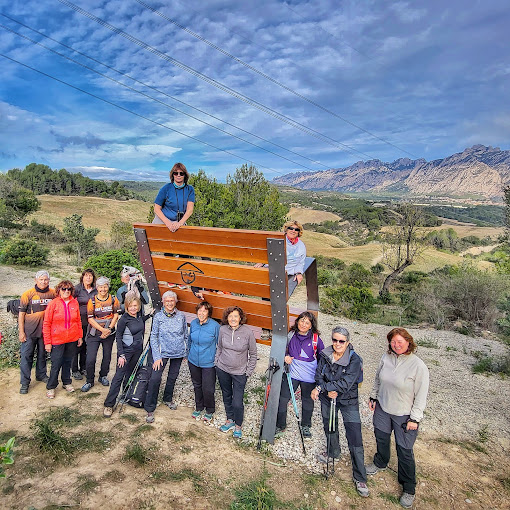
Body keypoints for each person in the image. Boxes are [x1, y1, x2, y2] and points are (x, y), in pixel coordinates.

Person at [366, 328, 430, 509]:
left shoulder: (418, 366)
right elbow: (378, 379)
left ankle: (408, 487)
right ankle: (380, 462)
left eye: (400, 342)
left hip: (404, 414)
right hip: (383, 407)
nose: (396, 345)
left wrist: (415, 418)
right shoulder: (386, 357)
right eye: (393, 342)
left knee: (404, 450)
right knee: (381, 438)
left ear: (409, 342)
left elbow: (421, 395)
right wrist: (373, 396)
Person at [312, 326, 369, 498]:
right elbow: (318, 375)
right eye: (334, 340)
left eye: (341, 341)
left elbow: (346, 383)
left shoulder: (354, 360)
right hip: (327, 398)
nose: (337, 343)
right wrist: (325, 389)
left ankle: (360, 477)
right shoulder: (325, 355)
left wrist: (323, 388)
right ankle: (333, 452)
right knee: (329, 427)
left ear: (348, 342)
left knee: (354, 436)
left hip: (348, 401)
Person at [276, 311, 324, 438]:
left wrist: (320, 378)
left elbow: (322, 358)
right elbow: (282, 349)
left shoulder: (316, 340)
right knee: (283, 399)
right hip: (292, 373)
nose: (303, 324)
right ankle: (280, 424)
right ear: (297, 321)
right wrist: (285, 356)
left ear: (311, 325)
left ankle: (306, 426)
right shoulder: (291, 335)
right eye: (302, 320)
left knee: (307, 401)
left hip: (309, 376)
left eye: (307, 322)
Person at [256, 220, 306, 340]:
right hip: (273, 271)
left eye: (296, 229)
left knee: (279, 301)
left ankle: (275, 328)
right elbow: (267, 253)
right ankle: (266, 328)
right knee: (267, 300)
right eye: (290, 228)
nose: (293, 231)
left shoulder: (301, 246)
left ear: (299, 232)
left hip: (288, 274)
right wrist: (261, 263)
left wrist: (299, 272)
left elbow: (301, 262)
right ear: (286, 229)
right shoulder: (279, 241)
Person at [144, 291, 188, 423]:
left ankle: (167, 398)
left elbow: (185, 335)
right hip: (162, 353)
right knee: (155, 378)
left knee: (172, 377)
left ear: (175, 302)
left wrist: (185, 351)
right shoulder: (158, 317)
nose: (169, 303)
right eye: (167, 301)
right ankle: (150, 407)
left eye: (172, 300)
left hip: (178, 352)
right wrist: (157, 356)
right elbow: (153, 336)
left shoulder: (181, 316)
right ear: (163, 302)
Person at [103, 294, 149, 418]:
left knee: (130, 374)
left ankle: (126, 395)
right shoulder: (124, 319)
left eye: (135, 306)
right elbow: (118, 337)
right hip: (126, 352)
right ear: (127, 307)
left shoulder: (138, 317)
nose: (133, 308)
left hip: (137, 351)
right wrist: (121, 355)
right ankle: (109, 404)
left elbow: (140, 321)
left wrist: (150, 315)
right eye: (130, 306)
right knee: (119, 377)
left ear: (139, 306)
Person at [215, 306, 257, 439]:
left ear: (240, 318)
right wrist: (217, 362)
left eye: (235, 316)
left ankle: (238, 425)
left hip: (240, 373)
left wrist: (248, 372)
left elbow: (253, 354)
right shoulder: (222, 329)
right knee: (226, 395)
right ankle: (230, 419)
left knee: (237, 401)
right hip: (223, 369)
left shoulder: (247, 332)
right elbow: (219, 347)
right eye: (230, 316)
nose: (233, 319)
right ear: (227, 318)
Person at [43, 280, 83, 398]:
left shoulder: (74, 303)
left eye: (69, 289)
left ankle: (66, 382)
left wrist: (79, 336)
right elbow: (46, 323)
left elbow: (78, 321)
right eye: (64, 289)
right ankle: (51, 386)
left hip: (71, 338)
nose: (66, 291)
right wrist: (47, 342)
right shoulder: (53, 304)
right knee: (56, 363)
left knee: (67, 362)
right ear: (59, 290)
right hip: (57, 339)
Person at [18, 270, 56, 394]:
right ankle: (25, 382)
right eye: (41, 279)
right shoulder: (27, 294)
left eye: (46, 279)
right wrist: (21, 332)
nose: (43, 282)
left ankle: (41, 375)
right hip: (29, 330)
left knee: (42, 354)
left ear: (49, 280)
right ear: (36, 280)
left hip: (45, 331)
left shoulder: (53, 294)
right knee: (26, 356)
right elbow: (21, 314)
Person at [81, 276, 120, 392]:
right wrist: (102, 330)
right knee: (91, 358)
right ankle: (89, 380)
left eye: (105, 286)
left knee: (107, 356)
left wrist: (109, 329)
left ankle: (103, 376)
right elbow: (90, 318)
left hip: (109, 332)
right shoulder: (92, 300)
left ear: (108, 287)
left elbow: (116, 315)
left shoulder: (113, 299)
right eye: (101, 287)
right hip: (94, 333)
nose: (103, 289)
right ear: (97, 288)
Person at [188, 301, 220, 422]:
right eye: (199, 310)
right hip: (193, 361)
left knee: (208, 388)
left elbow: (220, 345)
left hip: (208, 363)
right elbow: (190, 339)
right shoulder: (194, 323)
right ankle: (199, 407)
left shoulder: (215, 326)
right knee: (197, 385)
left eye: (204, 311)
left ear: (209, 313)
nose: (201, 313)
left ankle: (210, 409)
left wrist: (216, 359)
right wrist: (188, 353)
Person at [153, 162, 195, 232]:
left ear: (185, 175)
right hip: (162, 220)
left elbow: (190, 210)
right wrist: (168, 223)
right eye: (176, 173)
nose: (178, 175)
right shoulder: (166, 188)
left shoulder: (190, 189)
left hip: (179, 222)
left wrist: (180, 223)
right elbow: (156, 208)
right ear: (173, 175)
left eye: (181, 173)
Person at [72, 268, 97, 380]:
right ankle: (74, 370)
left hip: (91, 323)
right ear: (82, 277)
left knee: (86, 346)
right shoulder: (77, 289)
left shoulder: (96, 290)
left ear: (93, 278)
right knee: (76, 346)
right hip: (78, 323)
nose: (88, 278)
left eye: (90, 276)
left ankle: (83, 368)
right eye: (86, 275)